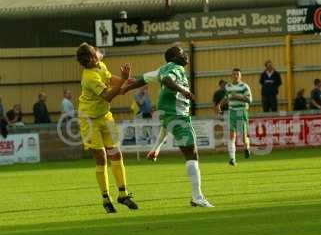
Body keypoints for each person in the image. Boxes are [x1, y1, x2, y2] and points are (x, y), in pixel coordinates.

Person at [121, 46, 213, 208]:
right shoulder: (174, 68)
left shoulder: (162, 69)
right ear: (174, 57)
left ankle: (156, 149)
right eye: (181, 52)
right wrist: (182, 90)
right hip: (176, 113)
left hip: (169, 113)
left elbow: (143, 79)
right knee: (192, 153)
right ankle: (197, 197)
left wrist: (127, 88)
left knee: (188, 150)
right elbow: (167, 80)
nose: (185, 54)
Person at [76, 42, 138, 213]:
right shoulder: (89, 77)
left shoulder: (100, 64)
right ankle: (106, 198)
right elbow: (108, 96)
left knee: (115, 153)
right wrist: (124, 82)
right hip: (89, 119)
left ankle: (123, 194)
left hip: (105, 116)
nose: (98, 54)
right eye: (95, 53)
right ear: (90, 59)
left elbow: (111, 79)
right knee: (102, 157)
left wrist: (128, 81)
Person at [217, 68, 252, 166]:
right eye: (234, 74)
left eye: (237, 74)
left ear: (240, 76)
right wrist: (220, 105)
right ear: (231, 76)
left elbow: (249, 100)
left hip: (241, 112)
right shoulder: (228, 86)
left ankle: (247, 147)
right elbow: (227, 97)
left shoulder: (244, 87)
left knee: (243, 137)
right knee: (232, 135)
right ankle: (232, 159)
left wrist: (236, 96)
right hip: (232, 112)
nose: (235, 76)